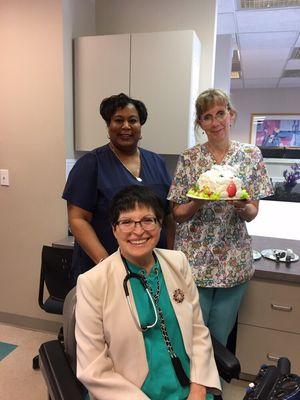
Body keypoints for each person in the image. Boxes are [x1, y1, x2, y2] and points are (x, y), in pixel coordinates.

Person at [75, 185, 221, 400]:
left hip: (189, 386)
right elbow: (92, 368)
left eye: (148, 220)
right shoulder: (93, 282)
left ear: (160, 224)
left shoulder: (177, 262)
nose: (138, 231)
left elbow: (198, 330)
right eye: (126, 222)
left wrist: (199, 387)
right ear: (114, 229)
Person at [167, 89, 274, 350]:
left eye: (220, 113)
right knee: (193, 337)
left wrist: (242, 207)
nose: (215, 122)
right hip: (194, 261)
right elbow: (177, 214)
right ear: (200, 123)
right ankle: (194, 389)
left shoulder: (251, 155)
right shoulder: (190, 158)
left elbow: (253, 212)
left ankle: (214, 390)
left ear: (231, 115)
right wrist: (198, 202)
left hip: (233, 263)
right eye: (207, 116)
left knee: (219, 338)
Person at [63, 93, 174, 284]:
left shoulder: (157, 162)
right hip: (102, 269)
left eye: (133, 120)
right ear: (108, 126)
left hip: (150, 267)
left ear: (140, 127)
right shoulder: (91, 164)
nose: (126, 126)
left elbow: (168, 216)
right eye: (118, 120)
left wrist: (169, 260)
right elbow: (77, 220)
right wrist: (107, 264)